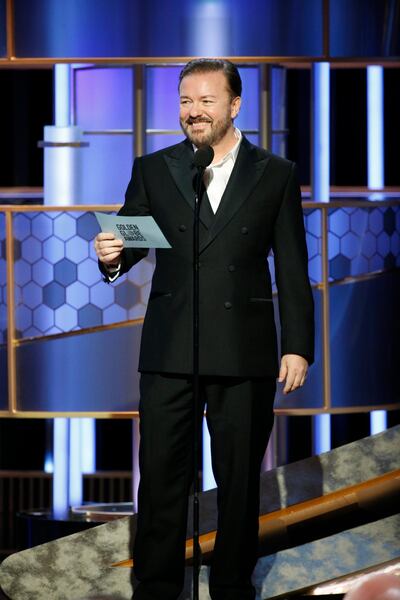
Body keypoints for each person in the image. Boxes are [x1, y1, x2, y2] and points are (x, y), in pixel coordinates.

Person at [94, 58, 314, 600]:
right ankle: (157, 585)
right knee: (163, 476)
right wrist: (111, 257)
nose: (194, 111)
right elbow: (134, 237)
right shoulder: (155, 167)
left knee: (238, 481)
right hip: (170, 348)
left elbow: (291, 268)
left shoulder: (276, 173)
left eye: (206, 101)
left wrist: (298, 348)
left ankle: (234, 585)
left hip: (245, 349)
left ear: (235, 105)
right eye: (186, 101)